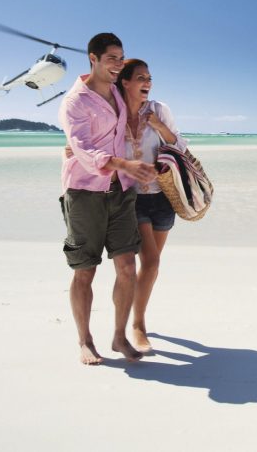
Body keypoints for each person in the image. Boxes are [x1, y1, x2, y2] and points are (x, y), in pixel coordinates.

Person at [59, 33, 158, 365]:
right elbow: (85, 150)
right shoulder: (75, 102)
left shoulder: (117, 92)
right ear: (93, 58)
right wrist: (124, 163)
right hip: (85, 192)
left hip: (121, 191)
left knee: (128, 267)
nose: (117, 64)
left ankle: (119, 337)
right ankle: (85, 340)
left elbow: (139, 98)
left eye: (121, 57)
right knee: (85, 270)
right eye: (111, 58)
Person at [116, 58, 187, 353]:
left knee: (152, 265)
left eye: (150, 78)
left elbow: (180, 145)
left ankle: (136, 316)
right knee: (151, 261)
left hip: (163, 196)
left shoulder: (159, 109)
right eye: (141, 77)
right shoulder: (114, 113)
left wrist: (158, 126)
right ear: (125, 82)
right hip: (132, 199)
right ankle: (137, 325)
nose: (147, 82)